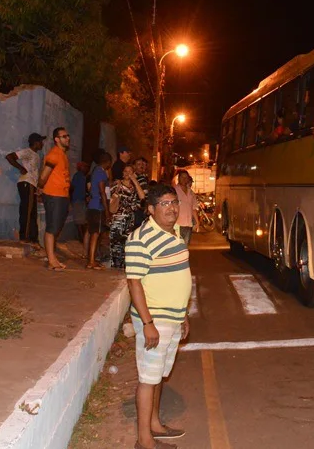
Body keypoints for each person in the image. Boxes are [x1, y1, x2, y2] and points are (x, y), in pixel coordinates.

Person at [125, 183, 191, 449]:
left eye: (174, 202)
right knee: (148, 379)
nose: (172, 208)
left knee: (160, 375)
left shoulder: (174, 233)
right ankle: (145, 441)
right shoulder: (140, 239)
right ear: (151, 209)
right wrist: (148, 323)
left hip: (172, 318)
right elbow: (134, 283)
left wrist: (183, 315)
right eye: (164, 204)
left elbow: (177, 279)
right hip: (155, 319)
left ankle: (154, 425)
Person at [38, 127, 72, 270]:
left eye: (68, 135)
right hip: (53, 195)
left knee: (56, 228)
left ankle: (53, 258)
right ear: (56, 139)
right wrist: (40, 189)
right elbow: (44, 175)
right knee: (52, 228)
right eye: (64, 136)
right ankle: (51, 261)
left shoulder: (62, 154)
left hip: (62, 195)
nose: (67, 138)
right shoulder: (54, 154)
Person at [5, 132, 45, 243]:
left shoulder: (36, 155)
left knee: (32, 212)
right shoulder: (28, 152)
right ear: (36, 143)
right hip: (27, 183)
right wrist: (20, 168)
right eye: (41, 142)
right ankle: (25, 237)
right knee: (27, 211)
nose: (42, 144)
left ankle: (33, 238)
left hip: (31, 184)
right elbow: (9, 156)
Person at [109, 164, 146, 270]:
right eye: (125, 171)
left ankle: (124, 267)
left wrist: (134, 180)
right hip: (117, 218)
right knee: (116, 245)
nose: (127, 174)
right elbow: (107, 196)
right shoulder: (117, 184)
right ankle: (115, 268)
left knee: (127, 244)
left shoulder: (135, 187)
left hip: (129, 219)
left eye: (130, 171)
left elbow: (142, 197)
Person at [86, 151, 112, 269]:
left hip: (93, 205)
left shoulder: (95, 171)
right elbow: (102, 192)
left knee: (95, 233)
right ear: (107, 162)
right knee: (96, 234)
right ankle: (91, 261)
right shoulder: (101, 173)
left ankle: (92, 259)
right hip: (98, 206)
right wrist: (107, 211)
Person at [173, 170, 199, 245]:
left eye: (186, 177)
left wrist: (197, 222)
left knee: (185, 246)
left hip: (188, 224)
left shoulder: (191, 192)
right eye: (182, 177)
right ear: (178, 178)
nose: (184, 179)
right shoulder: (174, 191)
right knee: (177, 246)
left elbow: (193, 208)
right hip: (177, 224)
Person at [71, 161, 89, 243]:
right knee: (80, 221)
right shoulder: (78, 176)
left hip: (80, 200)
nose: (86, 168)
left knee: (82, 221)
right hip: (78, 200)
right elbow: (72, 188)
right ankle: (82, 239)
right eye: (84, 167)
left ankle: (82, 239)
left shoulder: (82, 176)